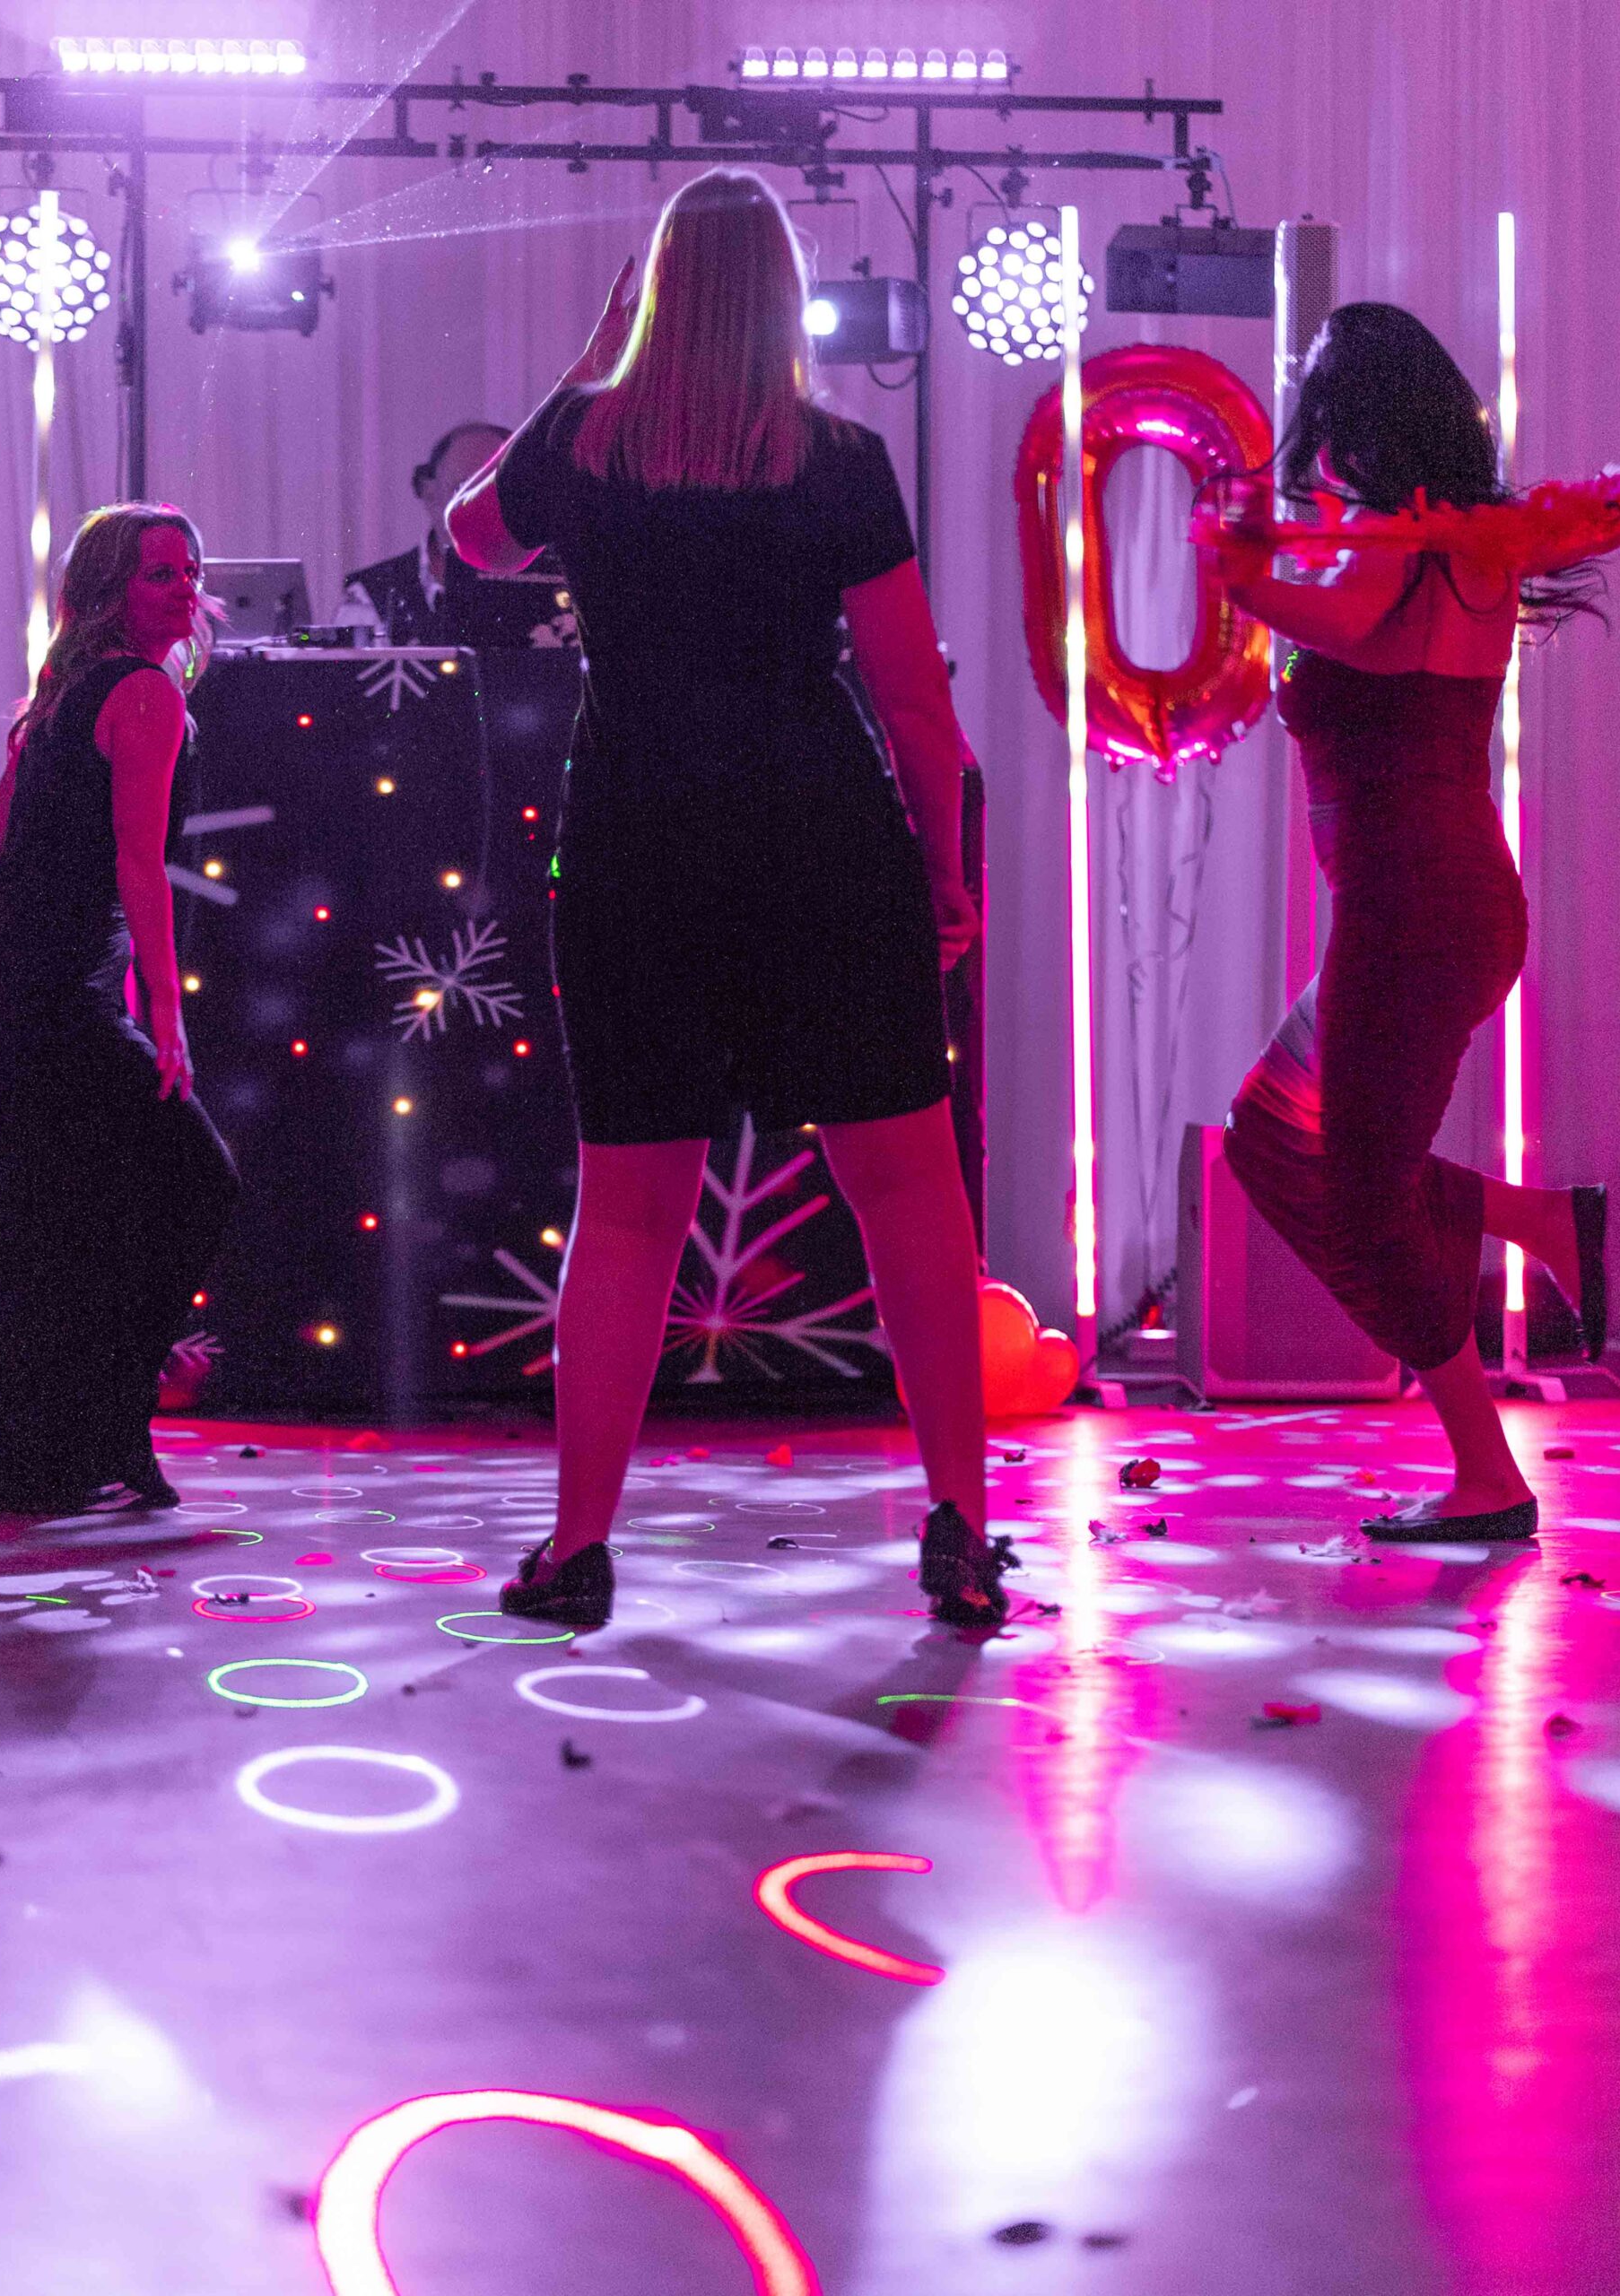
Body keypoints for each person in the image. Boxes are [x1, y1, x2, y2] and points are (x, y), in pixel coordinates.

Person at [446, 169, 1001, 1631]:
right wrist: (943, 869)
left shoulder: (584, 444)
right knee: (908, 1190)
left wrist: (588, 363)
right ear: (782, 301)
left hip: (637, 841)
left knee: (630, 1209)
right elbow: (914, 701)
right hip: (820, 835)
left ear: (656, 291)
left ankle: (577, 1547)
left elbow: (470, 538)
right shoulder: (839, 460)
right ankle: (958, 1527)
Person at [1208, 302, 1607, 1544]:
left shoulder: (1407, 546)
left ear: (1359, 424)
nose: (1317, 451)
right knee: (1270, 1140)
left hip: (1413, 912)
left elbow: (1336, 623)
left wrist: (1242, 572)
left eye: (1324, 422)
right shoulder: (1446, 540)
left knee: (1358, 1197)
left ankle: (1487, 1476)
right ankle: (1543, 1221)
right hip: (1428, 908)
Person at [0, 505, 240, 1516]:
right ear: (109, 592)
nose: (184, 590)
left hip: (7, 992)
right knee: (192, 1182)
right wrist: (167, 1017)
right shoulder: (141, 693)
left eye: (190, 571)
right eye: (160, 574)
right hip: (50, 995)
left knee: (32, 1222)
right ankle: (101, 1428)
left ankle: (26, 1452)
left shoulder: (63, 694)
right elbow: (138, 868)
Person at [340, 421, 510, 645]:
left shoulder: (551, 581)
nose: (483, 504)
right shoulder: (371, 593)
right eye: (463, 488)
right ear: (429, 492)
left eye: (499, 488)